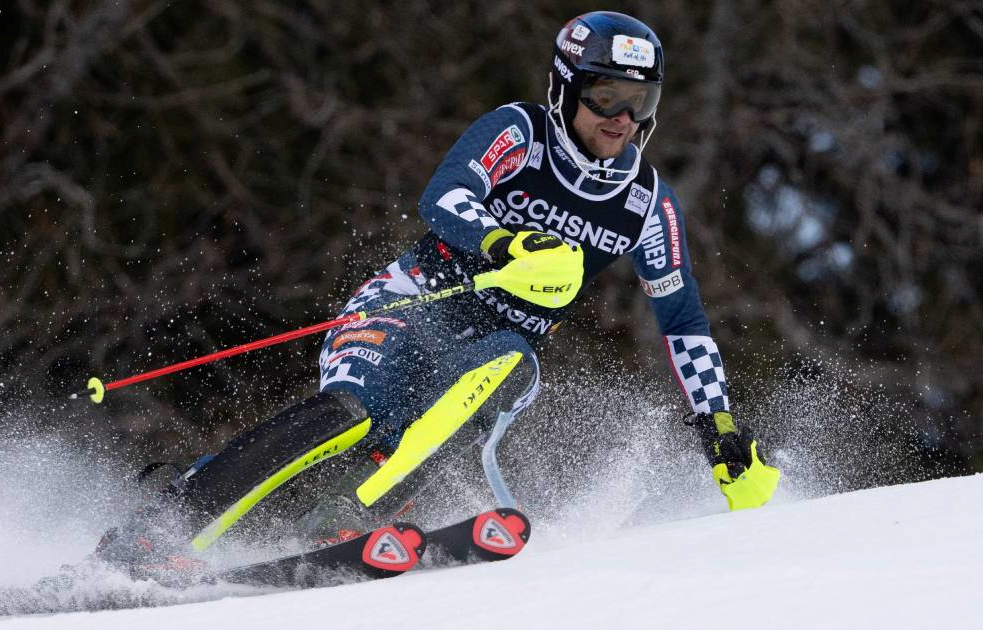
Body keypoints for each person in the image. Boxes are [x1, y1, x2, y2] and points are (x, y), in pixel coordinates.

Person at [95, 10, 780, 576]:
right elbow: (446, 194)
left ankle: (349, 519)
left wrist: (715, 421)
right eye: (607, 96)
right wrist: (505, 243)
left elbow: (682, 317)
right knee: (354, 413)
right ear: (568, 88)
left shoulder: (645, 202)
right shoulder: (521, 134)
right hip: (408, 306)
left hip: (487, 347)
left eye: (640, 103)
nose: (622, 119)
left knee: (513, 367)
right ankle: (168, 521)